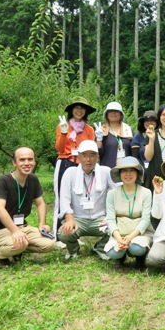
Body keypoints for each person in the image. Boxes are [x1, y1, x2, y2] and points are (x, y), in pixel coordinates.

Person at [0, 147, 56, 268]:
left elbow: (40, 203)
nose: (27, 163)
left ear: (34, 162)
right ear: (14, 163)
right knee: (21, 243)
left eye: (30, 159)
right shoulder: (3, 181)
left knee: (50, 244)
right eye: (22, 160)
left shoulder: (33, 179)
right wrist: (15, 231)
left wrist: (42, 224)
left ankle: (18, 249)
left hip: (22, 226)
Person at [58, 140, 116, 260]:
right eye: (84, 155)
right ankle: (73, 249)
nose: (88, 159)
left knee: (119, 228)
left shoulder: (106, 171)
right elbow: (64, 199)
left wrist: (111, 217)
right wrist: (69, 219)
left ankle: (100, 247)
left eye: (92, 155)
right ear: (79, 157)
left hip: (100, 219)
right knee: (63, 233)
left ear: (97, 157)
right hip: (78, 219)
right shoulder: (70, 173)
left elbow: (116, 194)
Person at [53, 97, 96, 236]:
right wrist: (64, 133)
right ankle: (58, 233)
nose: (79, 111)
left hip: (81, 163)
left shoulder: (89, 129)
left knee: (78, 196)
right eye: (76, 108)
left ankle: (75, 231)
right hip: (65, 161)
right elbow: (59, 148)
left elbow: (92, 148)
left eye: (82, 108)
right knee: (61, 196)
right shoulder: (62, 125)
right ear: (72, 110)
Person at [104, 157, 153, 270]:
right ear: (120, 174)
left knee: (136, 248)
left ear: (137, 173)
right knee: (113, 253)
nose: (128, 174)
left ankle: (140, 258)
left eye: (132, 170)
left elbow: (145, 219)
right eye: (124, 171)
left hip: (140, 233)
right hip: (119, 232)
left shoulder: (146, 193)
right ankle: (120, 258)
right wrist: (119, 238)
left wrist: (129, 237)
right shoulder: (112, 193)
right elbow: (110, 219)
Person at [95, 101, 133, 168]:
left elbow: (133, 151)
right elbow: (98, 153)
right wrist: (99, 140)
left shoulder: (128, 130)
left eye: (116, 111)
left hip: (126, 169)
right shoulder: (102, 130)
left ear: (121, 114)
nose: (113, 113)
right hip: (107, 168)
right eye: (110, 111)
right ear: (106, 114)